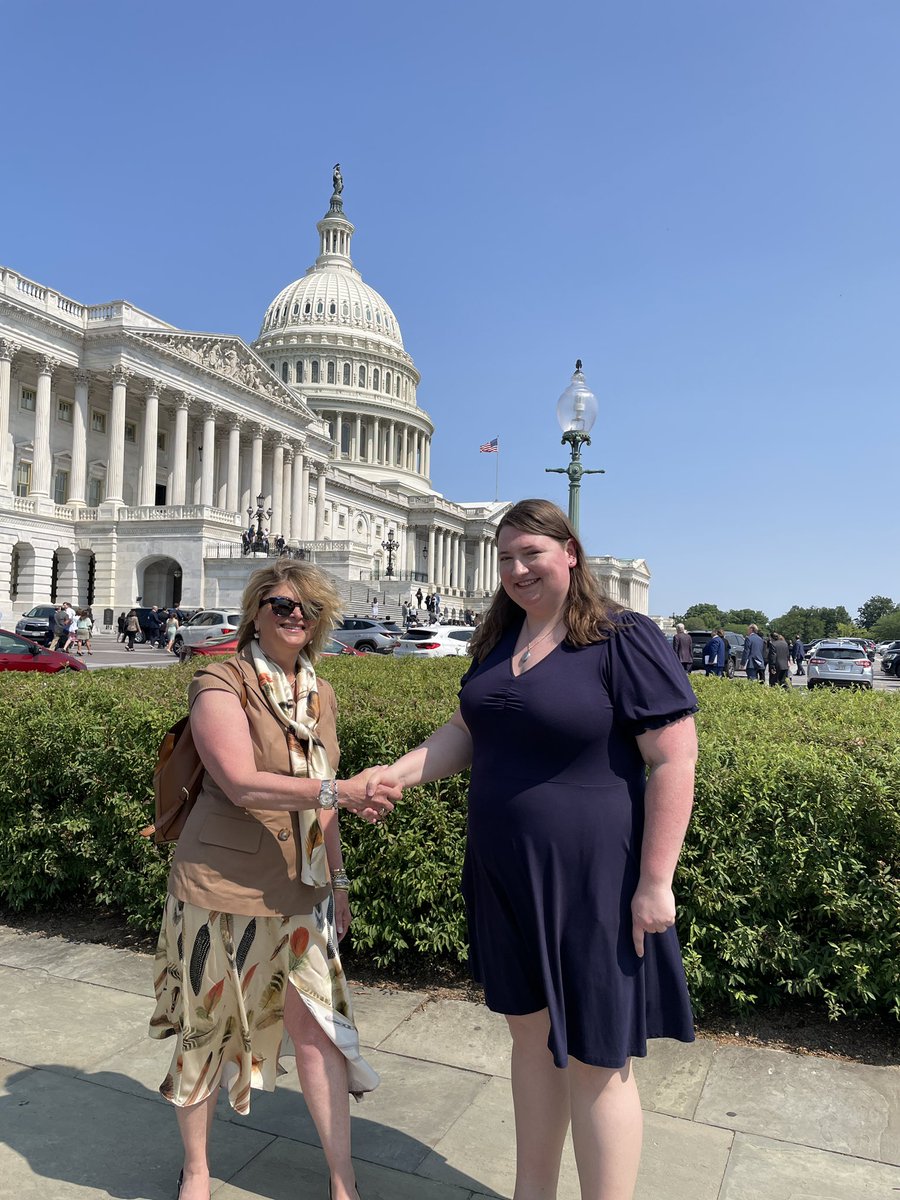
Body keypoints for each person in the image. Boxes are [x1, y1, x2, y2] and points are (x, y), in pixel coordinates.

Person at [363, 499, 698, 1200]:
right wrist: (397, 772)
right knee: (530, 1045)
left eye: (532, 554)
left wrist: (656, 880)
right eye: (506, 557)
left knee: (596, 1058)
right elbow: (465, 731)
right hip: (505, 875)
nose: (517, 569)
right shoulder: (499, 638)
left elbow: (672, 760)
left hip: (595, 880)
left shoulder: (621, 637)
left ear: (569, 553)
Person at [149, 560, 399, 1200]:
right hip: (220, 884)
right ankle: (198, 1170)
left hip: (302, 888)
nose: (296, 616)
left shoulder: (319, 692)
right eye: (282, 604)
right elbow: (236, 778)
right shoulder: (220, 680)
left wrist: (338, 881)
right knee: (207, 1029)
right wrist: (339, 789)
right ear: (256, 611)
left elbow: (322, 805)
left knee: (322, 1035)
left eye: (309, 609)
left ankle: (343, 1181)